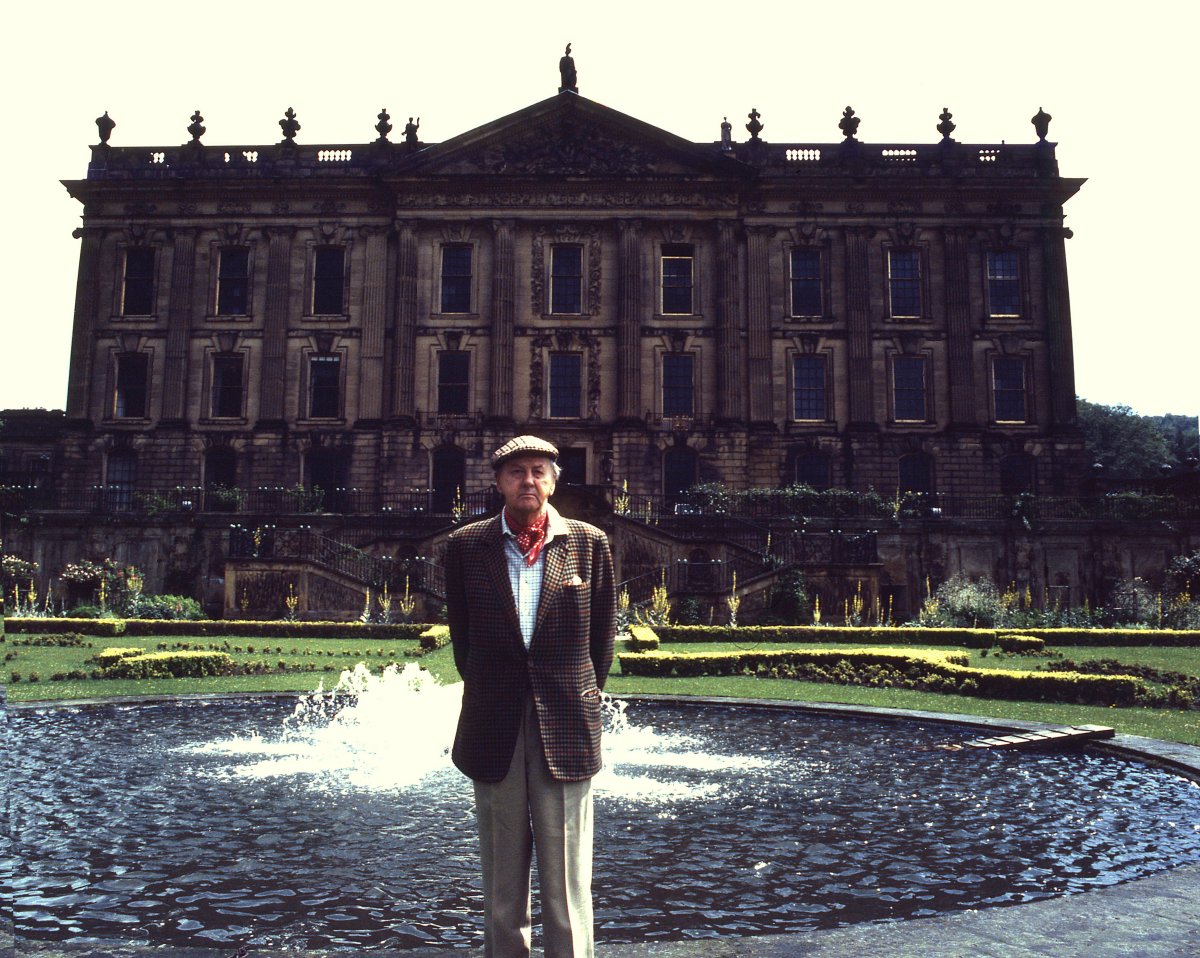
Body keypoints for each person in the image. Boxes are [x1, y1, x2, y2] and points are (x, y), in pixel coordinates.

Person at [445, 435, 616, 958]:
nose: (528, 481)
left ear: (554, 480)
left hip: (566, 720)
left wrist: (574, 696)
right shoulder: (466, 545)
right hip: (493, 721)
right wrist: (494, 689)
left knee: (568, 885)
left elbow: (601, 643)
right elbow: (463, 639)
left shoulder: (589, 543)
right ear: (497, 482)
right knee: (501, 882)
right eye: (516, 471)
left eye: (539, 470)